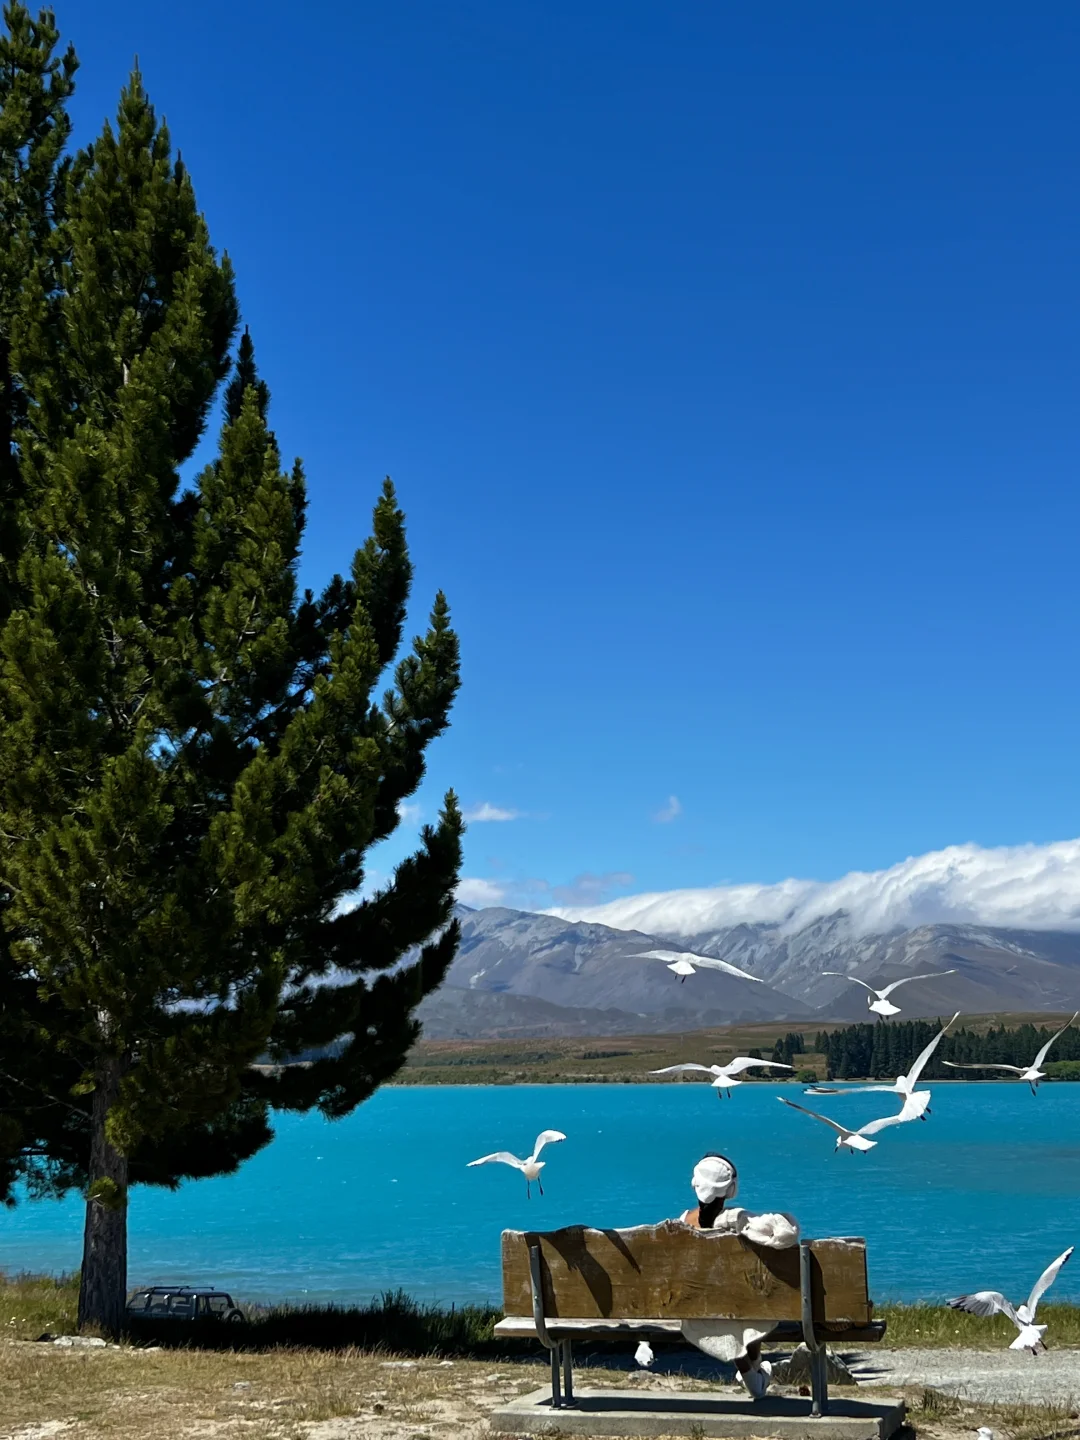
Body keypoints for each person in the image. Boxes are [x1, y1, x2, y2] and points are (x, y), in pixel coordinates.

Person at [676, 1152, 799, 1400]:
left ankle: (753, 1375)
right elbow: (786, 1233)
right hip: (738, 1307)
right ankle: (755, 1375)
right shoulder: (736, 1220)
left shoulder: (682, 1222)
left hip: (698, 1311)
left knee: (729, 1308)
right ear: (729, 1191)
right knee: (744, 1308)